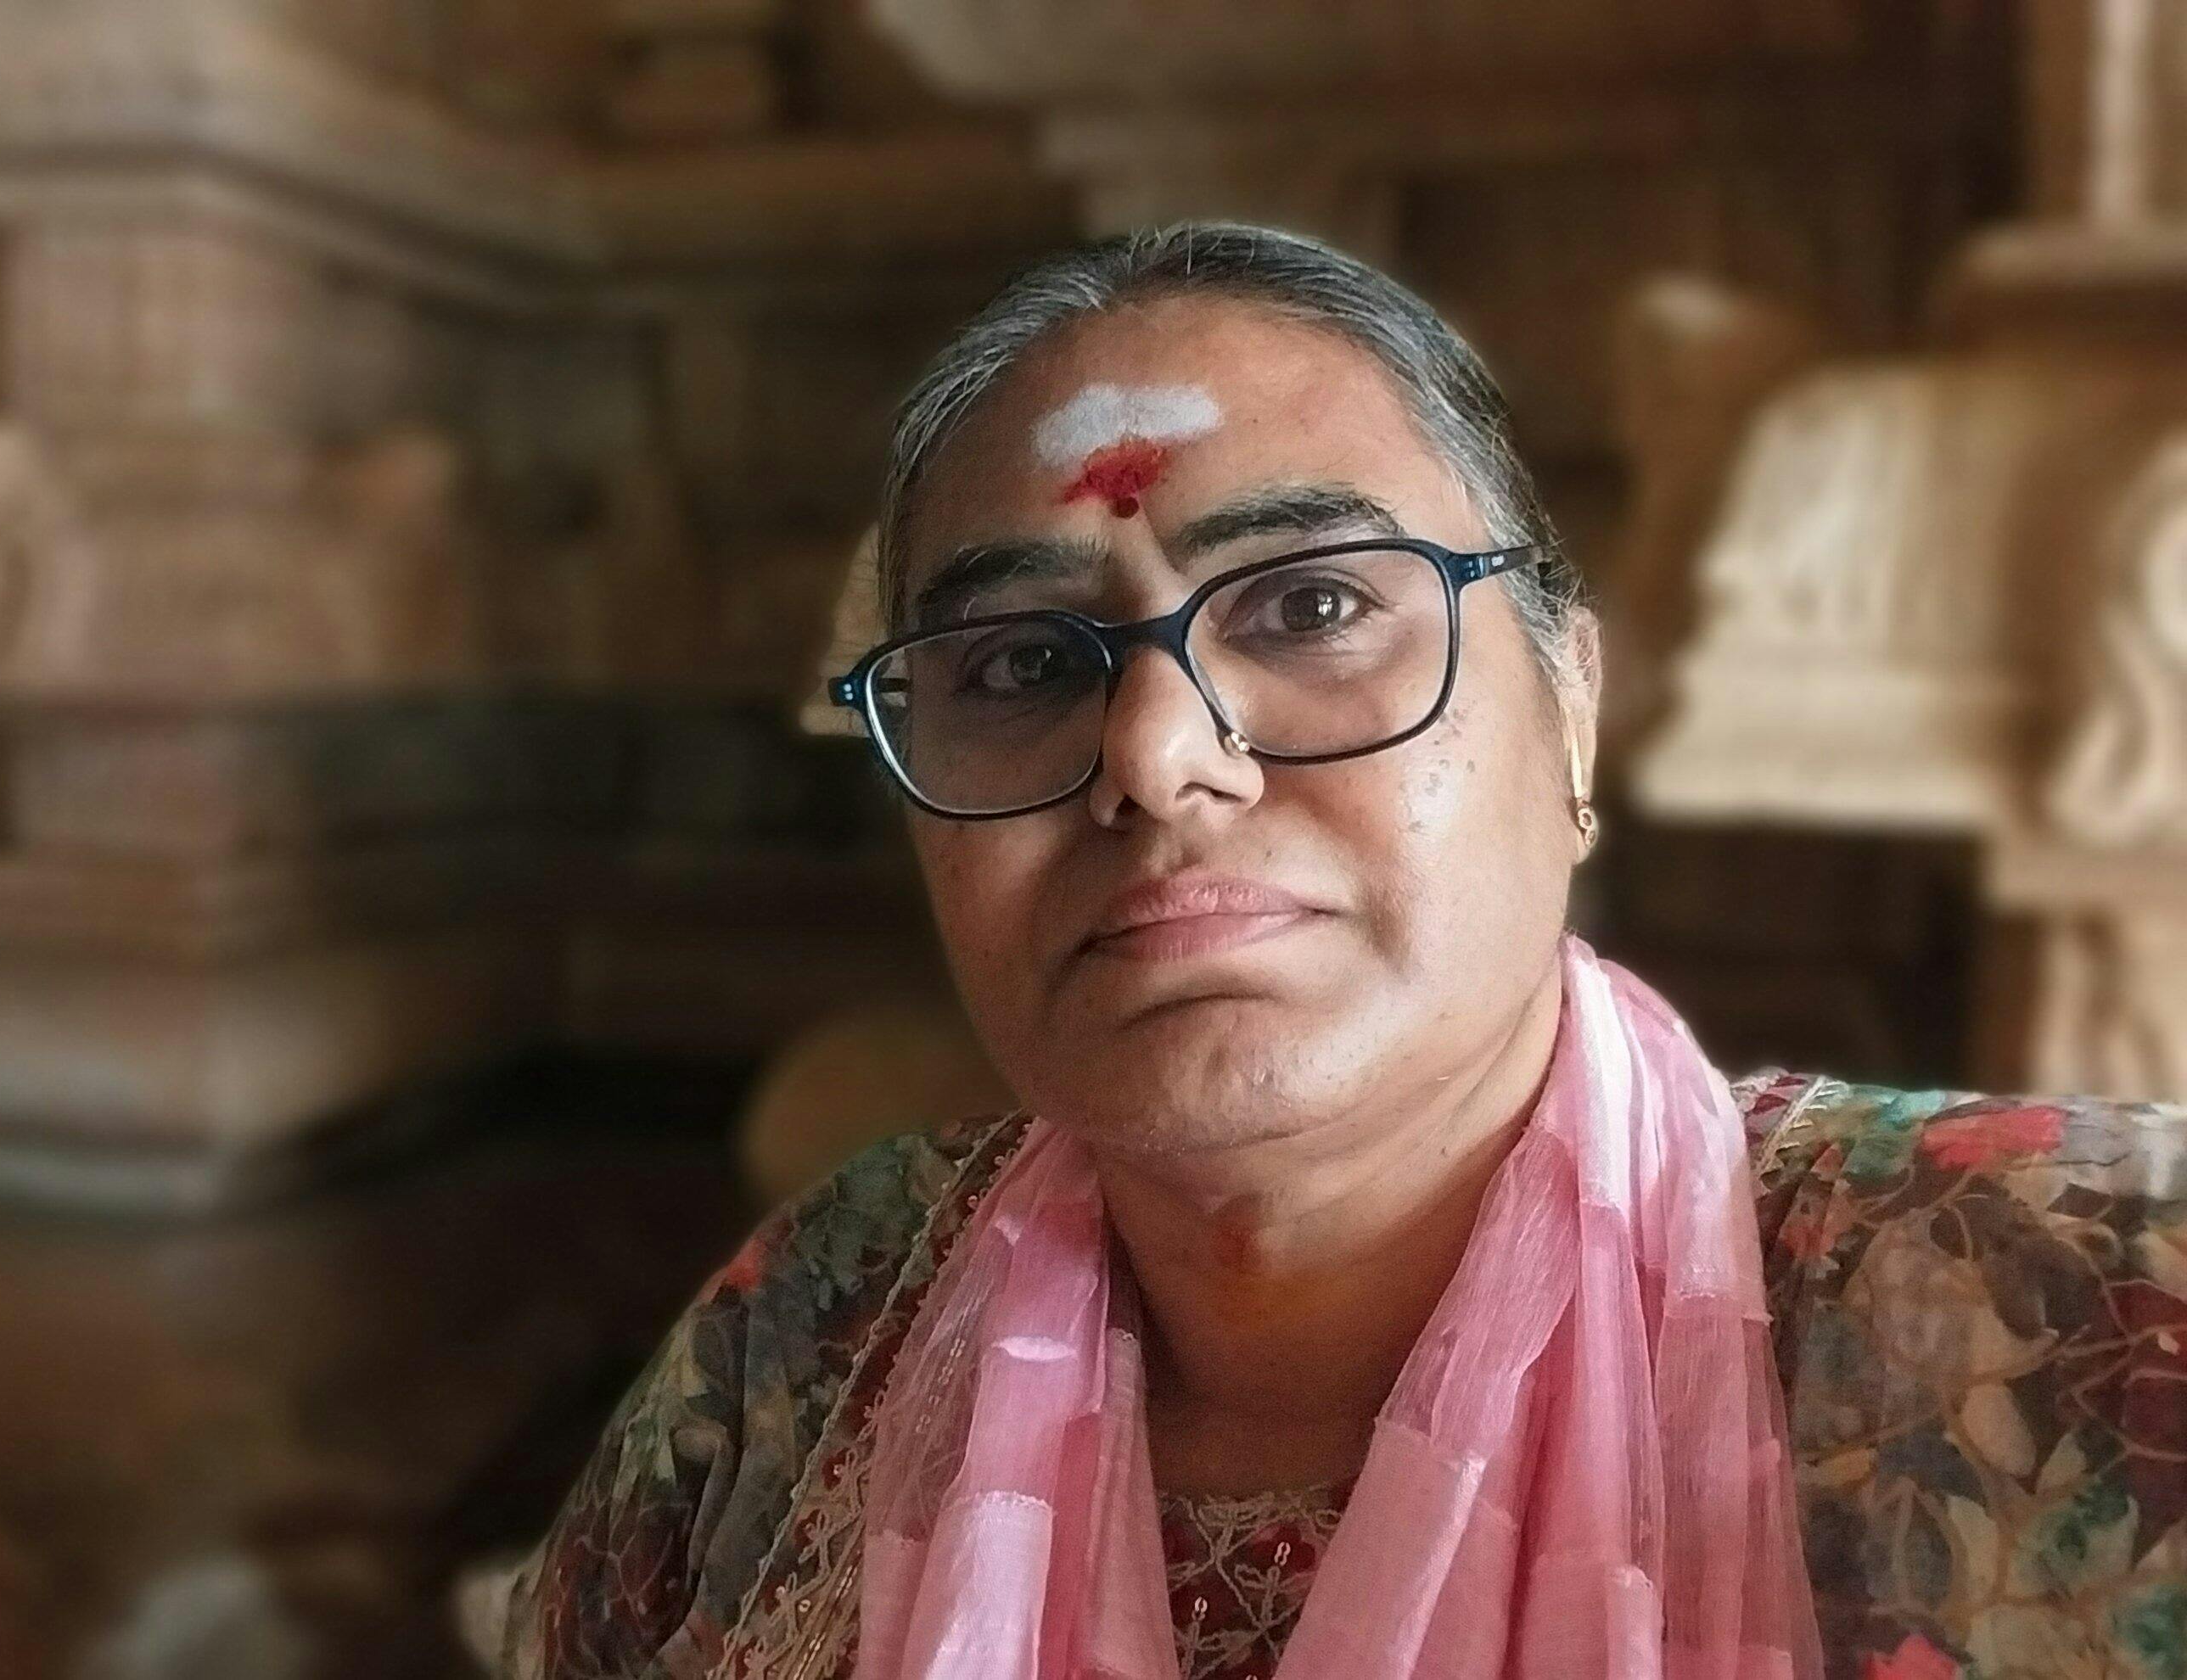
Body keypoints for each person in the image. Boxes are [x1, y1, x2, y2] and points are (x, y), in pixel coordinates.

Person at [497, 223, 2187, 1680]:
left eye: (1309, 606)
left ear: (1571, 712)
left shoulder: (2082, 1310)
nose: (1158, 753)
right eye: (1020, 664)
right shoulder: (813, 1331)